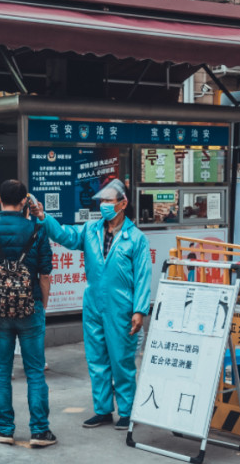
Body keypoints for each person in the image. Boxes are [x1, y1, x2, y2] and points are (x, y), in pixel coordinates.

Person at [32, 178, 151, 431]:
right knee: (97, 360)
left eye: (109, 201)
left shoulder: (136, 238)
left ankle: (127, 412)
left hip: (123, 307)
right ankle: (103, 410)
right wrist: (44, 217)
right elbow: (65, 235)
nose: (104, 205)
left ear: (123, 203)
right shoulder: (90, 230)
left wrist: (140, 311)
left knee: (122, 361)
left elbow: (142, 277)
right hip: (94, 305)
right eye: (103, 201)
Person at [0, 179, 56, 448]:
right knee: (34, 371)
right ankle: (40, 431)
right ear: (24, 202)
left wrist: (0, 282)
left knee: (1, 372)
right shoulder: (37, 230)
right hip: (31, 308)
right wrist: (40, 302)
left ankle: (5, 428)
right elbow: (45, 274)